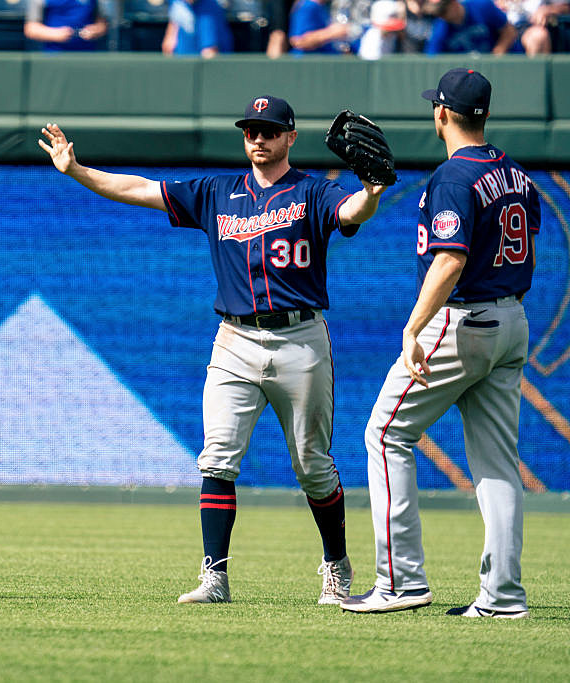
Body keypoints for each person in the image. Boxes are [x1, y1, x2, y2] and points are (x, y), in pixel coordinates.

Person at [38, 96, 388, 605]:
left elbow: (351, 211)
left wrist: (372, 191)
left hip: (300, 339)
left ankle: (336, 564)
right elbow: (138, 188)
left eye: (269, 130)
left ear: (290, 137)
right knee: (217, 457)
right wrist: (76, 171)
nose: (258, 138)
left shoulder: (313, 192)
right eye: (251, 130)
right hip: (235, 340)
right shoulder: (217, 192)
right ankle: (215, 576)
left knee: (312, 465)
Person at [341, 69, 539, 619]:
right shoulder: (515, 172)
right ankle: (502, 597)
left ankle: (400, 582)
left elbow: (450, 258)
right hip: (512, 320)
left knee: (384, 433)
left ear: (443, 114)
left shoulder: (453, 177)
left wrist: (413, 327)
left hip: (463, 319)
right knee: (498, 464)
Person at [422, 0, 517, 54]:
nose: (441, 16)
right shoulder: (441, 26)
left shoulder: (482, 6)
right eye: (437, 13)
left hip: (495, 66)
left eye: (443, 11)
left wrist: (499, 50)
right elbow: (432, 55)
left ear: (453, 3)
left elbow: (509, 31)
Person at [23, 0, 108, 51]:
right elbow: (30, 28)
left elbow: (102, 24)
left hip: (87, 56)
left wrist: (96, 31)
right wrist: (55, 34)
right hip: (54, 56)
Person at [162, 0, 233, 57]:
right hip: (180, 60)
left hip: (196, 68)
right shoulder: (176, 2)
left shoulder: (208, 9)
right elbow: (169, 43)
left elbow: (210, 52)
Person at [289, 0, 358, 53]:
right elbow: (298, 41)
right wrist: (332, 33)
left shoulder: (324, 6)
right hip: (309, 65)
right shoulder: (308, 7)